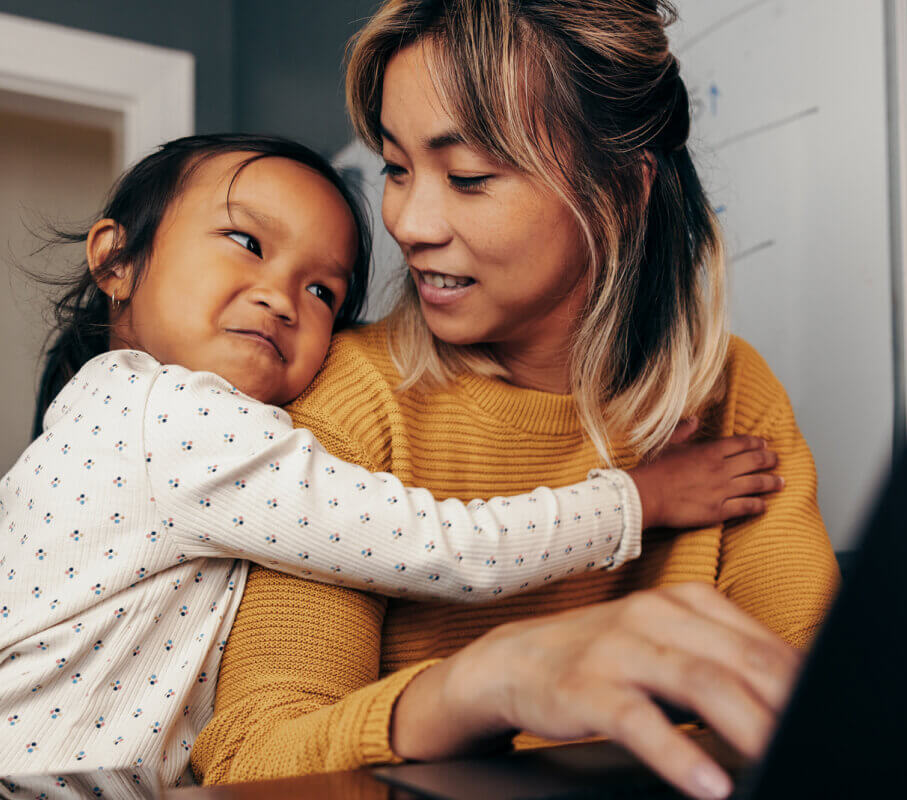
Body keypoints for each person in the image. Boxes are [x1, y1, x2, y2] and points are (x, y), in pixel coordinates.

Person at [191, 2, 841, 799]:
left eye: (468, 177)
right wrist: (482, 683)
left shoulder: (731, 390)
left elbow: (821, 701)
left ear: (621, 191)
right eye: (396, 169)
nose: (409, 222)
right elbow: (250, 759)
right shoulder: (352, 402)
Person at [0, 133, 782, 786]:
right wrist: (636, 502)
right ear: (116, 261)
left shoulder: (110, 410)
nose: (280, 296)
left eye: (322, 293)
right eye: (246, 242)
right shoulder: (170, 416)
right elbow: (439, 544)